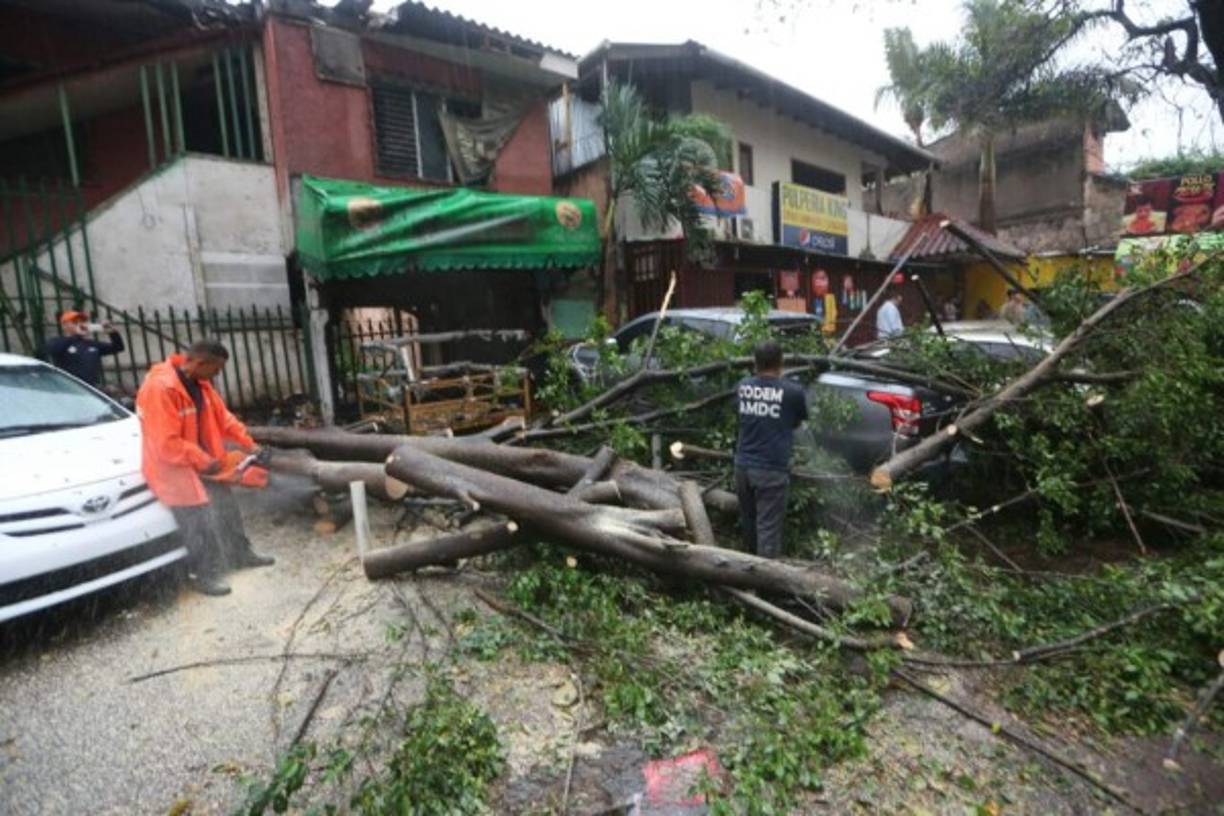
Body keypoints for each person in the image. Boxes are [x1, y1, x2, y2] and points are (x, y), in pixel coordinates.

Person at [136, 339, 274, 596]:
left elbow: (225, 419)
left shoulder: (201, 384)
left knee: (226, 508)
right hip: (172, 467)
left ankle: (239, 554)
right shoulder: (160, 389)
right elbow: (166, 442)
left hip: (204, 461)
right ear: (200, 363)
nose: (217, 375)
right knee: (196, 521)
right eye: (216, 369)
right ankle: (203, 573)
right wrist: (202, 460)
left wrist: (250, 445)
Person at [733, 341, 809, 559]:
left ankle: (747, 571)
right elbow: (796, 422)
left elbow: (741, 416)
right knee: (768, 529)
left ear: (755, 363)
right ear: (781, 362)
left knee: (750, 523)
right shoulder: (793, 392)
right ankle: (765, 584)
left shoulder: (742, 386)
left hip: (743, 468)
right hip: (771, 470)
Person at [44, 310, 125, 388]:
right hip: (69, 388)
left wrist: (113, 333)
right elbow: (53, 349)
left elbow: (118, 347)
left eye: (82, 321)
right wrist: (75, 336)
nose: (81, 324)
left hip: (90, 388)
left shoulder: (91, 344)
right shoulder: (58, 341)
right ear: (65, 325)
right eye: (75, 322)